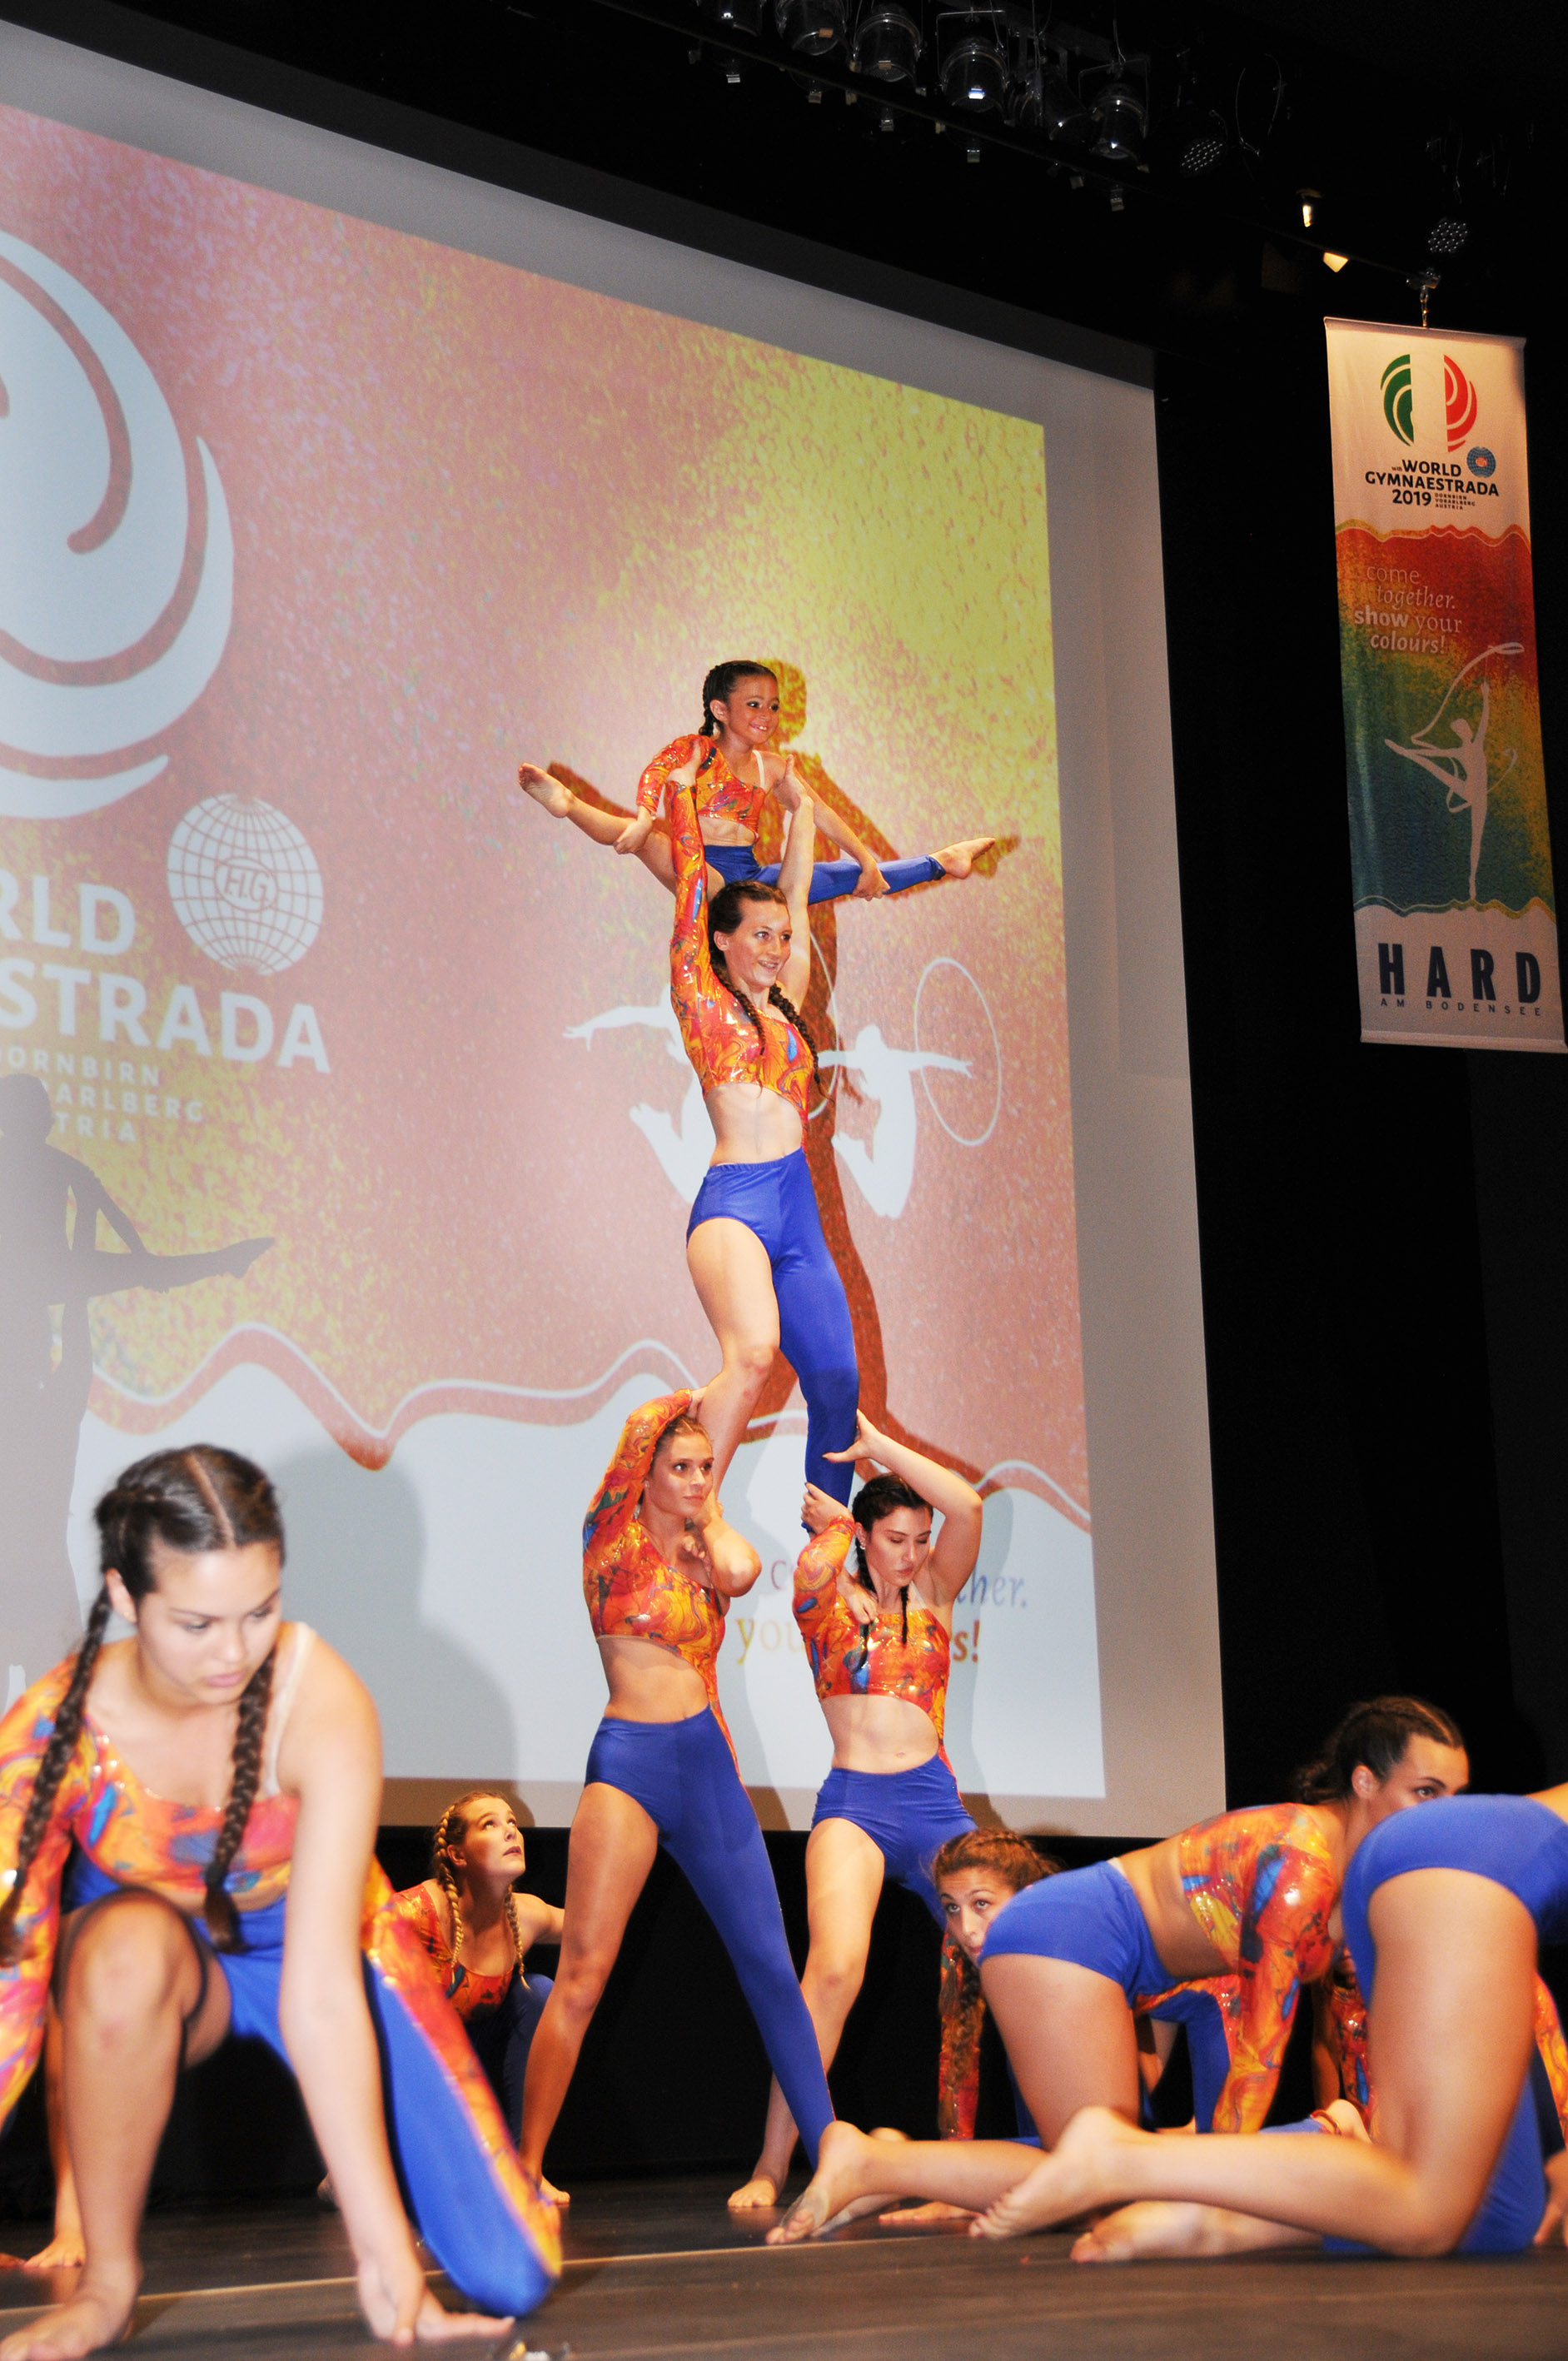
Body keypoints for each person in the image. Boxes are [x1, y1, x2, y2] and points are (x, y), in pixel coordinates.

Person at [0, 1445, 558, 2360]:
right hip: (159, 1963)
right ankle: (107, 2287)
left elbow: (322, 1997)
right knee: (118, 1952)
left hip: (329, 1950)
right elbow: (8, 1996)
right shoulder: (51, 1734)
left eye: (259, 1611)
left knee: (514, 2274)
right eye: (196, 1623)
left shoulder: (318, 1699)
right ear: (124, 1596)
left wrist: (385, 2258)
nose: (233, 1654)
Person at [766, 1696, 1469, 2242]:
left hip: (1133, 1966)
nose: (1446, 1815)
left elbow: (1348, 2025)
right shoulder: (1302, 1867)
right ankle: (876, 2162)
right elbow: (1261, 2055)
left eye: (1455, 1796)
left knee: (1116, 2165)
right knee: (1103, 2179)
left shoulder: (1360, 1880)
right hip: (1065, 1932)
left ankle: (882, 2160)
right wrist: (1310, 2148)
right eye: (1426, 1791)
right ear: (1364, 1780)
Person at [965, 1783, 1568, 2259]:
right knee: (1428, 2205)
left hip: (1416, 1861)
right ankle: (1125, 2155)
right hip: (1467, 1860)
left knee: (1498, 2216)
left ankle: (1221, 2219)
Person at [516, 1391, 835, 2201]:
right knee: (583, 1974)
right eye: (681, 1468)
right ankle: (523, 2170)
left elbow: (742, 1571)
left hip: (705, 1765)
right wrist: (706, 1392)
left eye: (705, 1468)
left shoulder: (704, 1550)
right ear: (645, 1473)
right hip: (631, 1763)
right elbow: (639, 1432)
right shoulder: (608, 1538)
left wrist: (710, 1514)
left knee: (770, 1968)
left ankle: (830, 2158)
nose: (696, 1479)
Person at [730, 1415, 984, 2206]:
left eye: (919, 1540)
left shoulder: (935, 1594)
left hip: (935, 1802)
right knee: (833, 1970)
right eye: (895, 1539)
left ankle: (969, 2161)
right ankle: (772, 2164)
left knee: (1008, 1955)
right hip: (856, 1806)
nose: (911, 1554)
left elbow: (969, 1505)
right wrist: (837, 1526)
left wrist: (879, 1450)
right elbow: (814, 1568)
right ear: (864, 1537)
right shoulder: (824, 1603)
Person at [658, 752, 859, 1507]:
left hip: (795, 1204)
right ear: (721, 940)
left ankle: (825, 1548)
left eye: (782, 937)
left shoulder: (790, 1002)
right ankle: (686, 1512)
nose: (776, 948)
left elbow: (797, 892)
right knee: (751, 1355)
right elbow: (690, 887)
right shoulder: (700, 1000)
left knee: (836, 1381)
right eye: (760, 935)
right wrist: (681, 802)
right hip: (737, 1202)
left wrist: (801, 809)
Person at [518, 660, 992, 908]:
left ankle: (942, 861)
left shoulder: (773, 768)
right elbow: (655, 773)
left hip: (749, 875)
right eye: (753, 705)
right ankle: (568, 804)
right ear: (720, 710)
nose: (767, 715)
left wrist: (867, 861)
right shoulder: (696, 750)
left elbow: (822, 814)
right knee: (646, 840)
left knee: (844, 876)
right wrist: (645, 818)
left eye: (773, 706)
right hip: (701, 866)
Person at [394, 1795, 565, 2189]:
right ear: (458, 1854)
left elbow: (592, 1930)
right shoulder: (413, 1913)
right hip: (417, 2073)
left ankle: (525, 2170)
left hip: (480, 2063)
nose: (510, 1831)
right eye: (490, 1824)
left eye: (512, 1822)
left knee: (537, 1994)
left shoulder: (526, 1914)